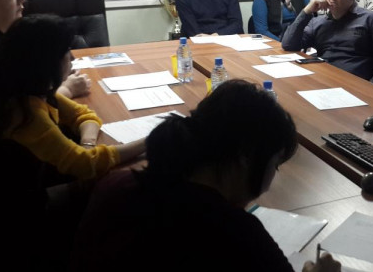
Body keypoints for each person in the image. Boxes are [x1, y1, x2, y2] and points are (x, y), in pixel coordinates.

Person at [71, 80, 341, 272]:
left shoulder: (117, 185)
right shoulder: (235, 235)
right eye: (275, 165)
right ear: (245, 157)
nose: (271, 182)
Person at [0, 15, 147, 271]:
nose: (71, 58)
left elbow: (84, 115)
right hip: (14, 223)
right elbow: (83, 165)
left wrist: (87, 143)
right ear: (45, 60)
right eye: (65, 52)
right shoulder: (24, 113)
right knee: (117, 196)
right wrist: (149, 141)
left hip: (23, 196)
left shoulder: (25, 89)